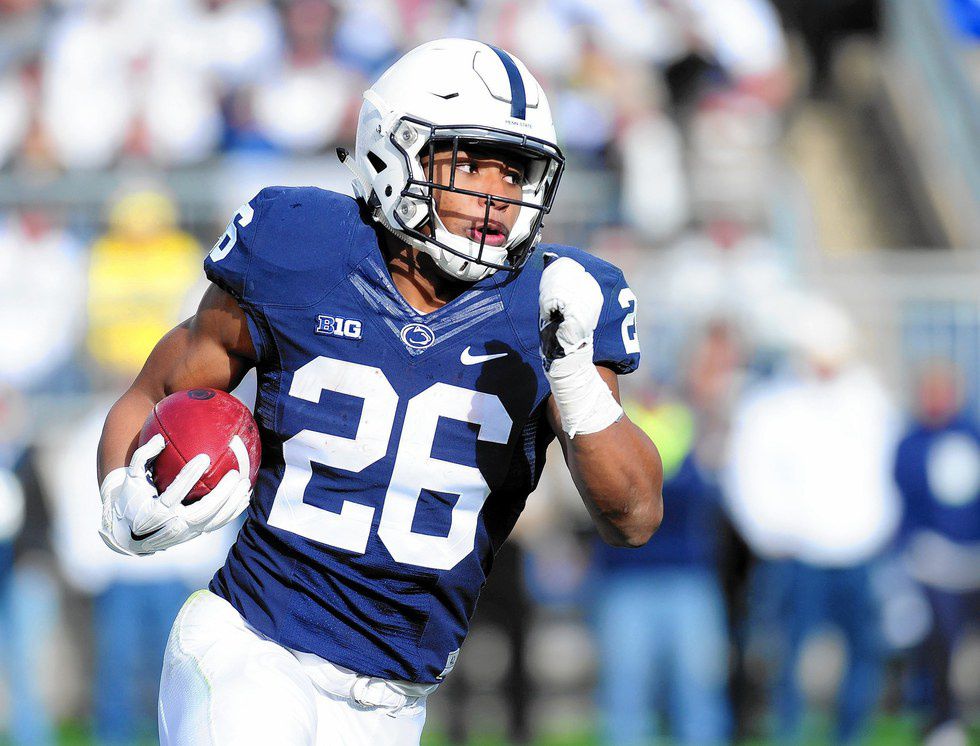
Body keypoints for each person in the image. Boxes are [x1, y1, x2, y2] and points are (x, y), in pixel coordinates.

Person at [95, 38, 663, 746]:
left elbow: (634, 516)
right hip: (253, 645)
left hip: (394, 703)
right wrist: (118, 490)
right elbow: (153, 391)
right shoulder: (299, 247)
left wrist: (574, 375)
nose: (495, 193)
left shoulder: (556, 301)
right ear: (393, 152)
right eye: (469, 163)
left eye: (514, 171)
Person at [893, 361, 980, 745]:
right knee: (940, 646)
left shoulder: (972, 435)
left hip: (974, 559)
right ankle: (944, 721)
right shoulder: (910, 443)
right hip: (935, 564)